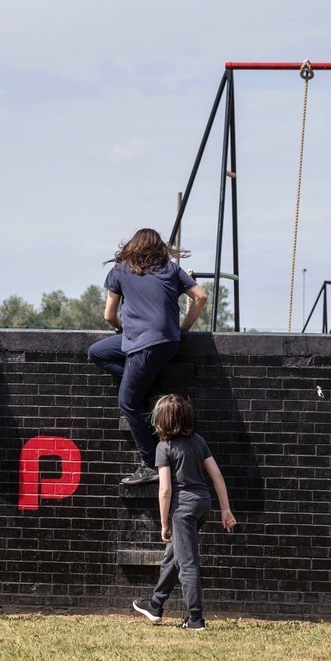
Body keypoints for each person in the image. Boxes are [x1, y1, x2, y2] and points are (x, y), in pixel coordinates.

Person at [88, 229, 208, 485]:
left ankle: (149, 463)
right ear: (159, 248)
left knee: (128, 402)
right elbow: (201, 296)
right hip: (167, 342)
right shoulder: (171, 269)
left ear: (131, 246)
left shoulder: (120, 269)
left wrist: (122, 326)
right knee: (97, 352)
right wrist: (183, 327)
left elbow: (109, 315)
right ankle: (147, 385)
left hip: (142, 343)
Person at [131, 395, 236, 631]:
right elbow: (217, 475)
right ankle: (155, 605)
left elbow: (165, 490)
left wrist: (163, 523)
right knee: (174, 554)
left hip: (183, 510)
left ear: (161, 420)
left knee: (187, 563)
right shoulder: (198, 440)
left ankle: (196, 619)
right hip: (203, 504)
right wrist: (225, 509)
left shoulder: (164, 447)